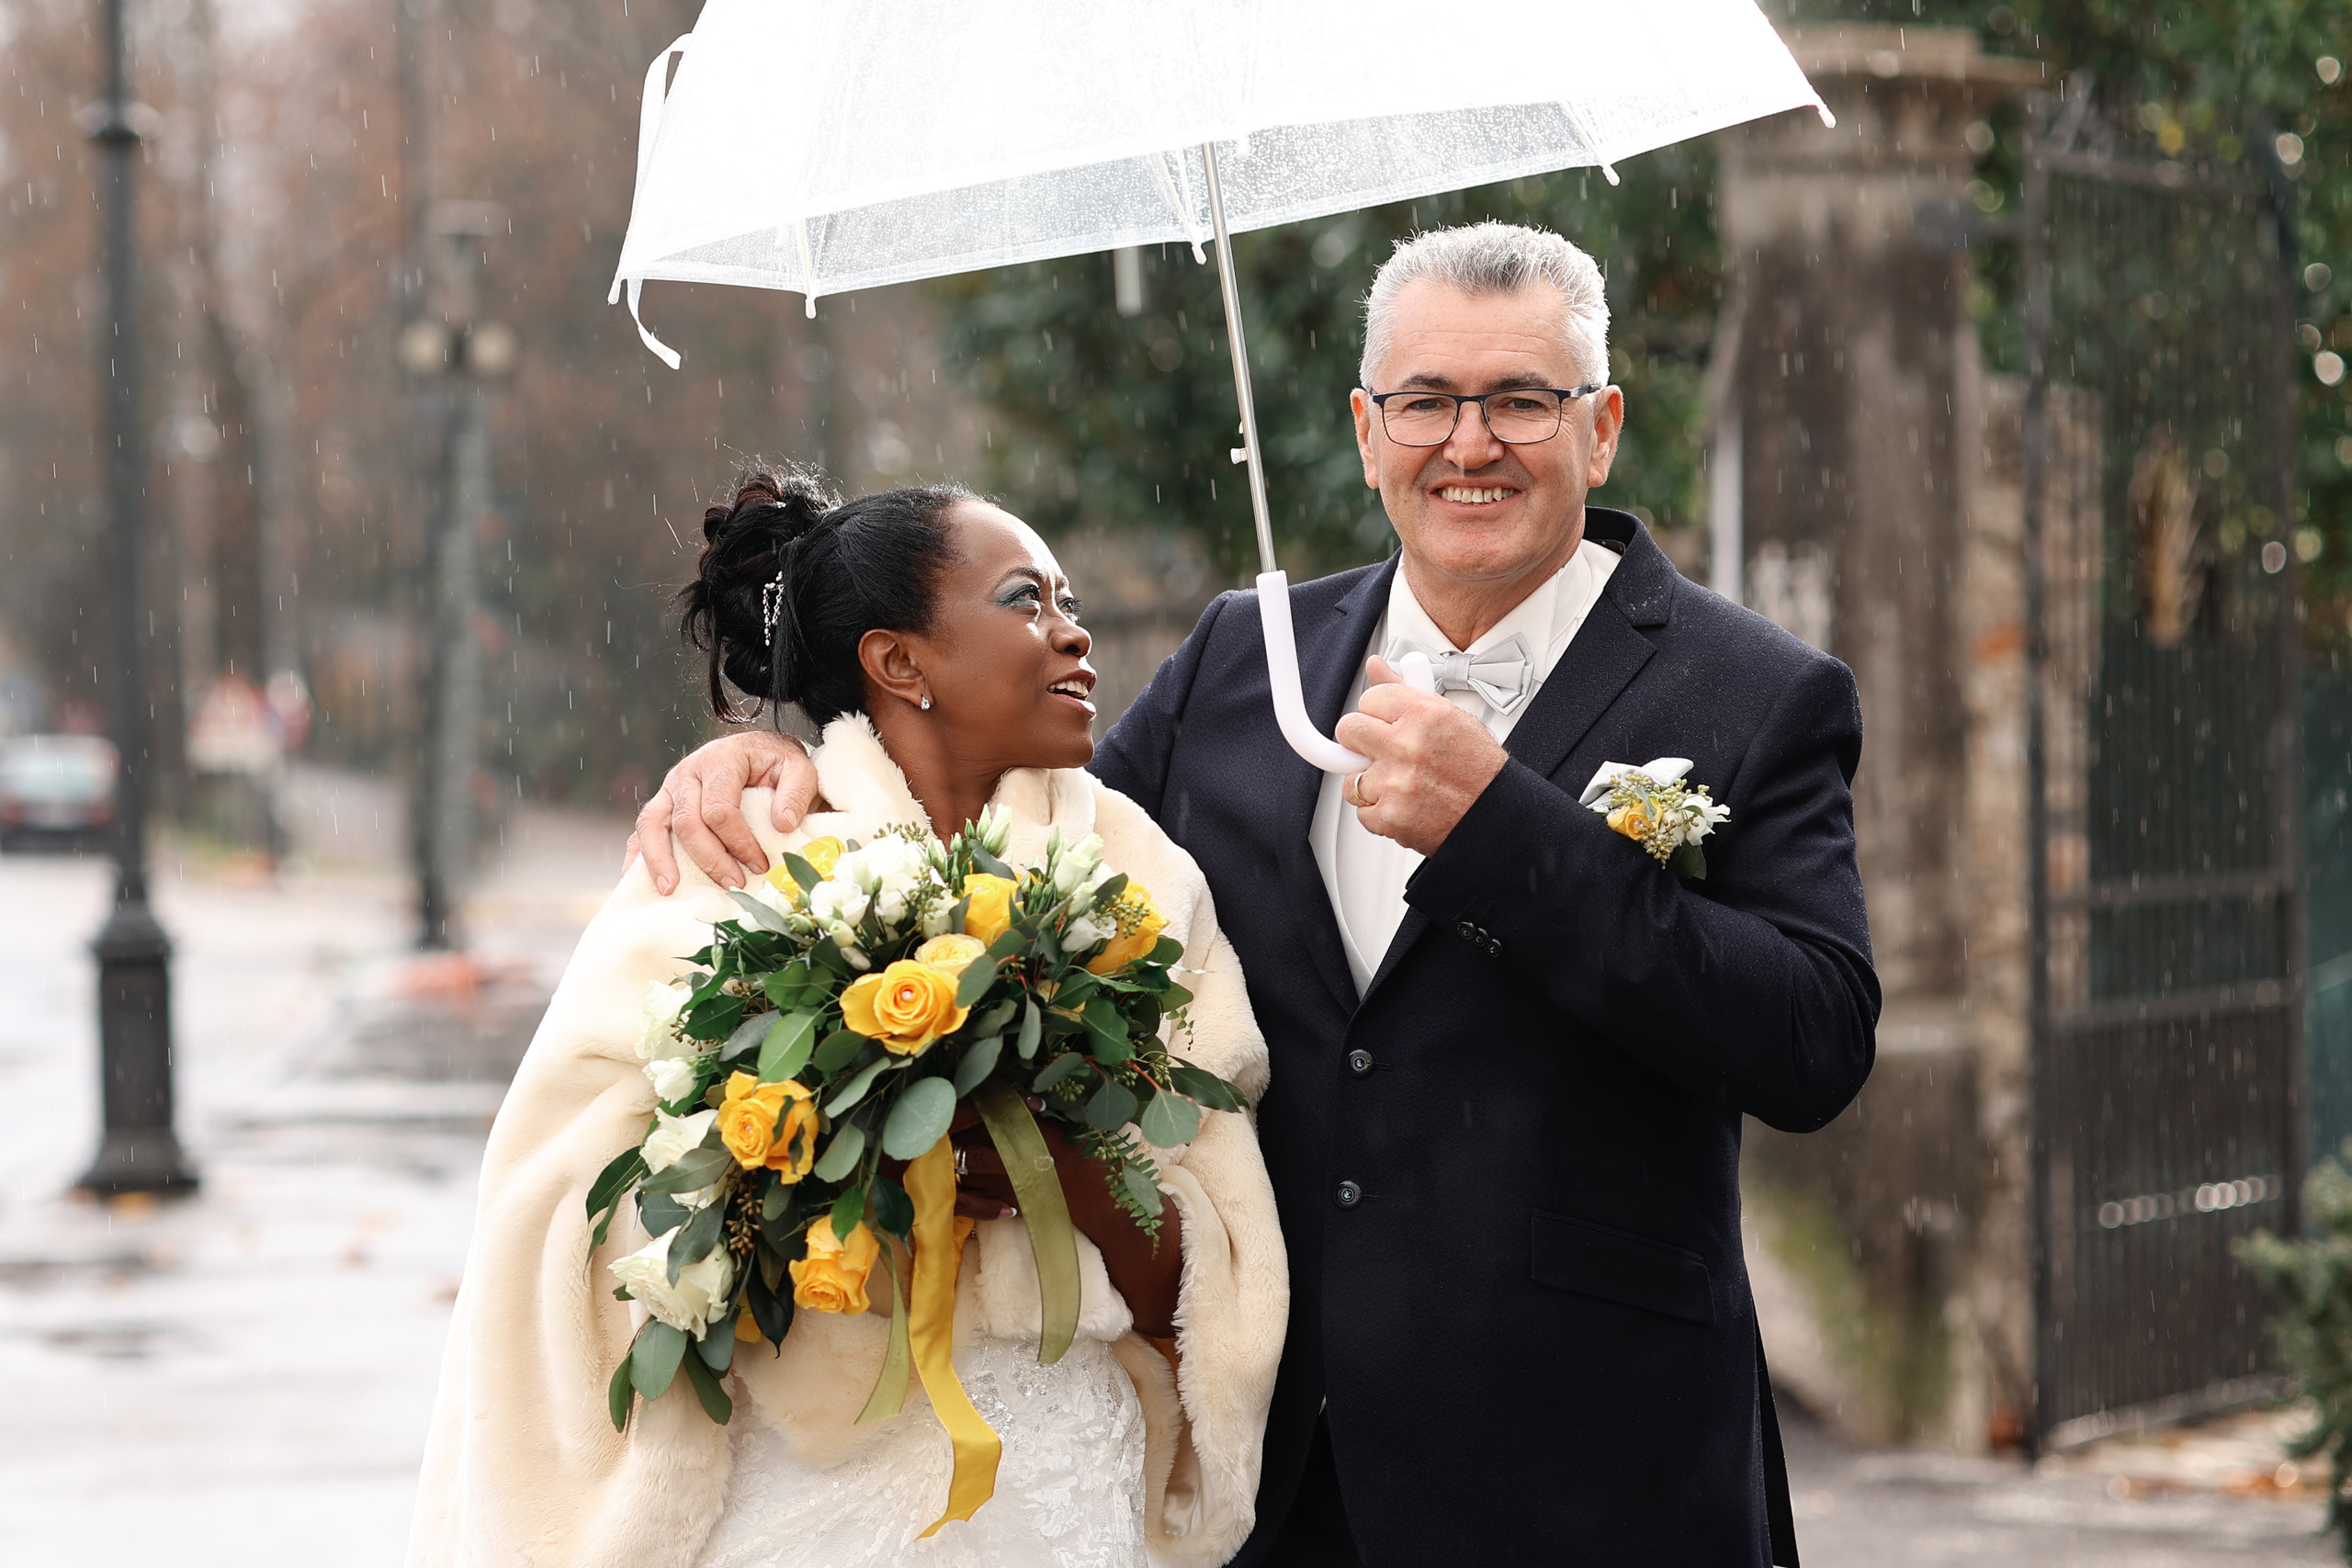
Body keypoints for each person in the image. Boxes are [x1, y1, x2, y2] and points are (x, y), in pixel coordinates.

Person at [629, 223, 1879, 1567]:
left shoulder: (1754, 692)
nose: (1470, 443)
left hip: (1595, 1467)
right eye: (1424, 401)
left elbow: (1812, 1038)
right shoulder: (1246, 656)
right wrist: (789, 748)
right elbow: (1003, 851)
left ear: (1603, 427)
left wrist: (1509, 830)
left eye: (1523, 399)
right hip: (1282, 1477)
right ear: (1363, 428)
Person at [409, 472, 1288, 1568]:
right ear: (898, 661)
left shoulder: (1143, 881)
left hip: (1063, 1486)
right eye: (1025, 599)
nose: (1073, 632)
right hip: (798, 1492)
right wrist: (799, 1159)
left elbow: (1212, 1269)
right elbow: (557, 1205)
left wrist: (1058, 1160)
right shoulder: (727, 861)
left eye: (1067, 600)